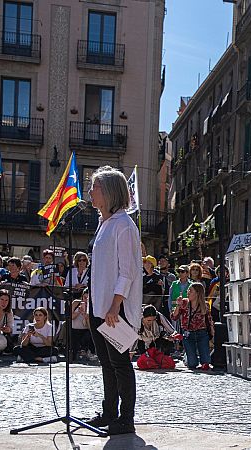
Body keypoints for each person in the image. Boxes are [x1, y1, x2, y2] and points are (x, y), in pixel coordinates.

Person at [86, 165, 142, 435]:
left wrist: (115, 304)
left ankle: (126, 419)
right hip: (98, 306)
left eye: (94, 187)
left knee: (120, 363)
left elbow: (128, 270)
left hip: (113, 309)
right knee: (106, 363)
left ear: (108, 191)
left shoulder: (124, 225)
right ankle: (109, 412)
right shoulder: (104, 223)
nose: (90, 192)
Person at [172, 282, 214, 370]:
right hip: (188, 333)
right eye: (188, 290)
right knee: (192, 364)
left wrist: (212, 335)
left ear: (197, 293)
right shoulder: (184, 303)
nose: (188, 292)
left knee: (206, 362)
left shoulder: (204, 305)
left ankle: (192, 355)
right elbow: (174, 317)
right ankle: (187, 356)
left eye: (190, 291)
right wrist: (178, 306)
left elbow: (209, 321)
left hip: (202, 333)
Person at [133, 305, 176, 370]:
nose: (151, 322)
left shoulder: (159, 316)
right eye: (148, 320)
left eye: (153, 320)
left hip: (157, 340)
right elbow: (134, 337)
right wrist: (131, 352)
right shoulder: (137, 320)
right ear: (143, 317)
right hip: (142, 342)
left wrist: (172, 336)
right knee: (146, 363)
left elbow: (172, 330)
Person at [69, 290, 93, 362]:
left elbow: (89, 326)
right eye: (84, 297)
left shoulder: (91, 306)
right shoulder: (76, 303)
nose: (86, 300)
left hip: (85, 330)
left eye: (88, 298)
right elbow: (70, 317)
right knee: (74, 349)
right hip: (74, 329)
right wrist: (78, 312)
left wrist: (86, 316)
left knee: (87, 337)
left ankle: (86, 353)